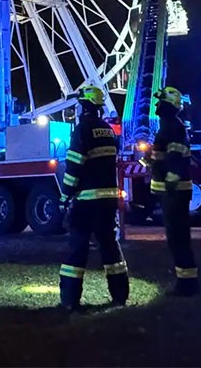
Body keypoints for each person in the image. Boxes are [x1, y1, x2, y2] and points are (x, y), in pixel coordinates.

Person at [58, 86, 129, 311]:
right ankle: (120, 296)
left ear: (84, 106)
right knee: (110, 248)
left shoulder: (82, 130)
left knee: (77, 248)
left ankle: (70, 300)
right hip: (108, 200)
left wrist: (64, 196)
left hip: (86, 201)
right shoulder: (108, 130)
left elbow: (74, 168)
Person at [150, 86, 199, 295]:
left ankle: (186, 284)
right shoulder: (170, 126)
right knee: (177, 238)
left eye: (160, 101)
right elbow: (166, 156)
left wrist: (170, 179)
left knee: (178, 238)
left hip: (174, 192)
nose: (156, 105)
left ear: (168, 105)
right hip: (173, 191)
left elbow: (176, 157)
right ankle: (185, 281)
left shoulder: (172, 127)